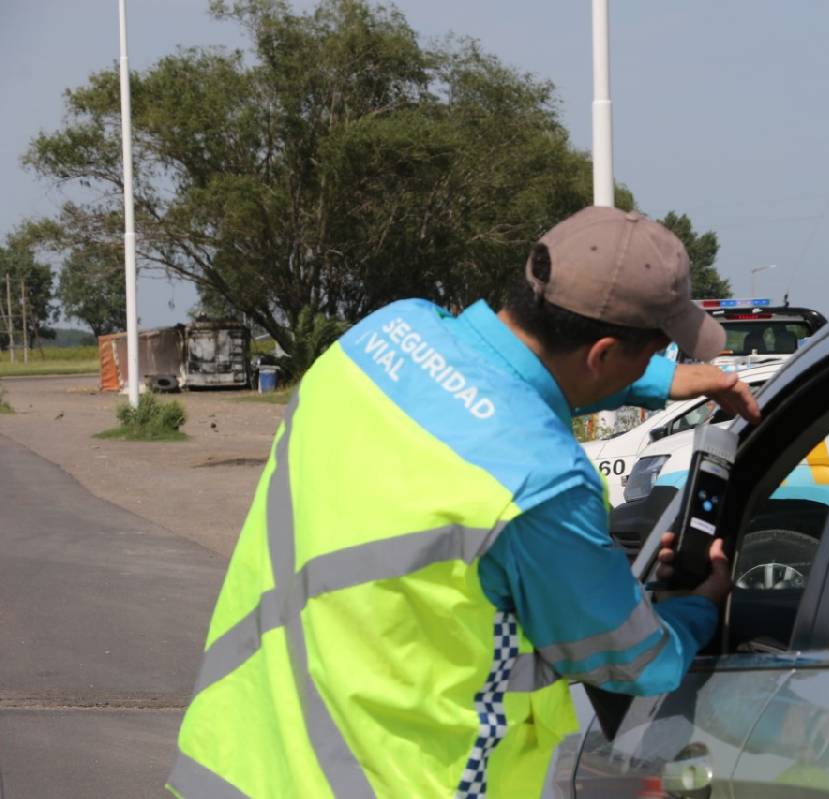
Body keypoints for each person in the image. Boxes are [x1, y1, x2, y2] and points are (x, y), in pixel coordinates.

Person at [167, 207, 759, 798]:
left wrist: (656, 381)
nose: (667, 365)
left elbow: (496, 383)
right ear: (602, 354)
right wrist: (701, 604)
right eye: (656, 353)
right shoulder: (543, 484)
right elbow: (634, 660)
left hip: (237, 762)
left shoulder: (383, 337)